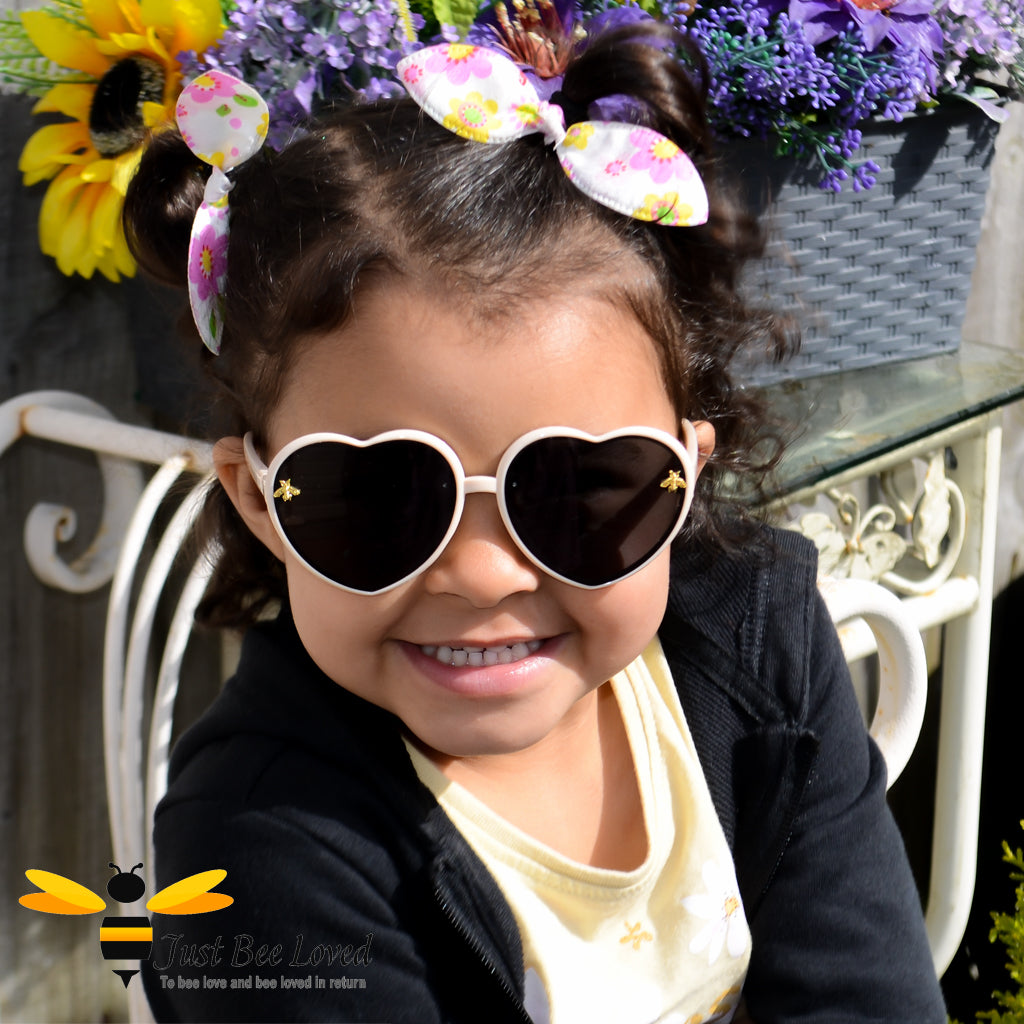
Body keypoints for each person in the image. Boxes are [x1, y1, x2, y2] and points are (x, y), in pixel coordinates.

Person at [123, 19, 946, 1024]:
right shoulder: (254, 848)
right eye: (381, 497)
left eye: (577, 488)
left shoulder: (759, 635)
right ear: (258, 499)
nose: (482, 574)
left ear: (688, 471)